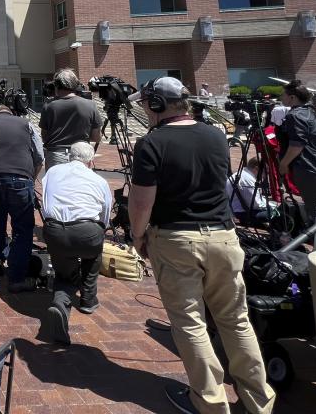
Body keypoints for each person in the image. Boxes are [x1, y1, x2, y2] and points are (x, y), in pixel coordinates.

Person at [128, 77, 274, 414]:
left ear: (157, 104)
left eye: (146, 103)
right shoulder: (216, 135)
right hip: (224, 236)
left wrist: (138, 236)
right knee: (236, 320)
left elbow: (141, 203)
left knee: (190, 323)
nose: (145, 110)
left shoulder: (151, 144)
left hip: (177, 239)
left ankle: (210, 402)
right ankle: (259, 401)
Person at [40, 141, 111, 344]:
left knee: (64, 272)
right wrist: (99, 231)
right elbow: (105, 216)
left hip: (55, 230)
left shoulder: (52, 172)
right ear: (90, 162)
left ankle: (61, 303)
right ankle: (88, 299)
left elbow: (46, 204)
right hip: (87, 231)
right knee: (94, 252)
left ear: (69, 156)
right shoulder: (98, 180)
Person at [0, 104, 45, 292]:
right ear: (11, 112)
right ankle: (16, 278)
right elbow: (39, 156)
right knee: (22, 228)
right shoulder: (25, 123)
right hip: (21, 178)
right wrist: (31, 177)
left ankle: (1, 257)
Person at [280, 80, 316, 247]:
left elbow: (297, 145)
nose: (281, 98)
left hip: (310, 168)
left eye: (283, 95)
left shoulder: (295, 115)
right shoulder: (312, 111)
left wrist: (283, 164)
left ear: (292, 98)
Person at [40, 69, 101, 169]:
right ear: (75, 85)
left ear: (56, 85)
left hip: (56, 156)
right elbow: (96, 137)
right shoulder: (90, 105)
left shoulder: (48, 106)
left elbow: (44, 136)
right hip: (82, 155)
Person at [226, 158, 273, 224]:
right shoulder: (248, 179)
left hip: (237, 210)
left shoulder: (243, 174)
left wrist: (270, 204)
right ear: (256, 169)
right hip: (241, 213)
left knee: (275, 210)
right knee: (277, 214)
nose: (265, 177)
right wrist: (272, 206)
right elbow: (254, 204)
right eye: (265, 173)